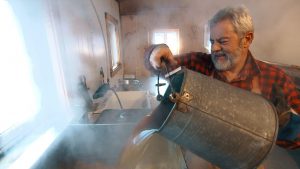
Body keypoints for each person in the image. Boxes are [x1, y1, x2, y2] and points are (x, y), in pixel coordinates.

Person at [144, 5, 300, 169]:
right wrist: (155, 52)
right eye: (212, 41)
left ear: (247, 39)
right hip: (201, 156)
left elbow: (297, 140)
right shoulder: (199, 64)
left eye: (223, 41)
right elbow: (161, 64)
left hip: (247, 162)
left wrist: (284, 124)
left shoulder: (273, 78)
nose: (214, 48)